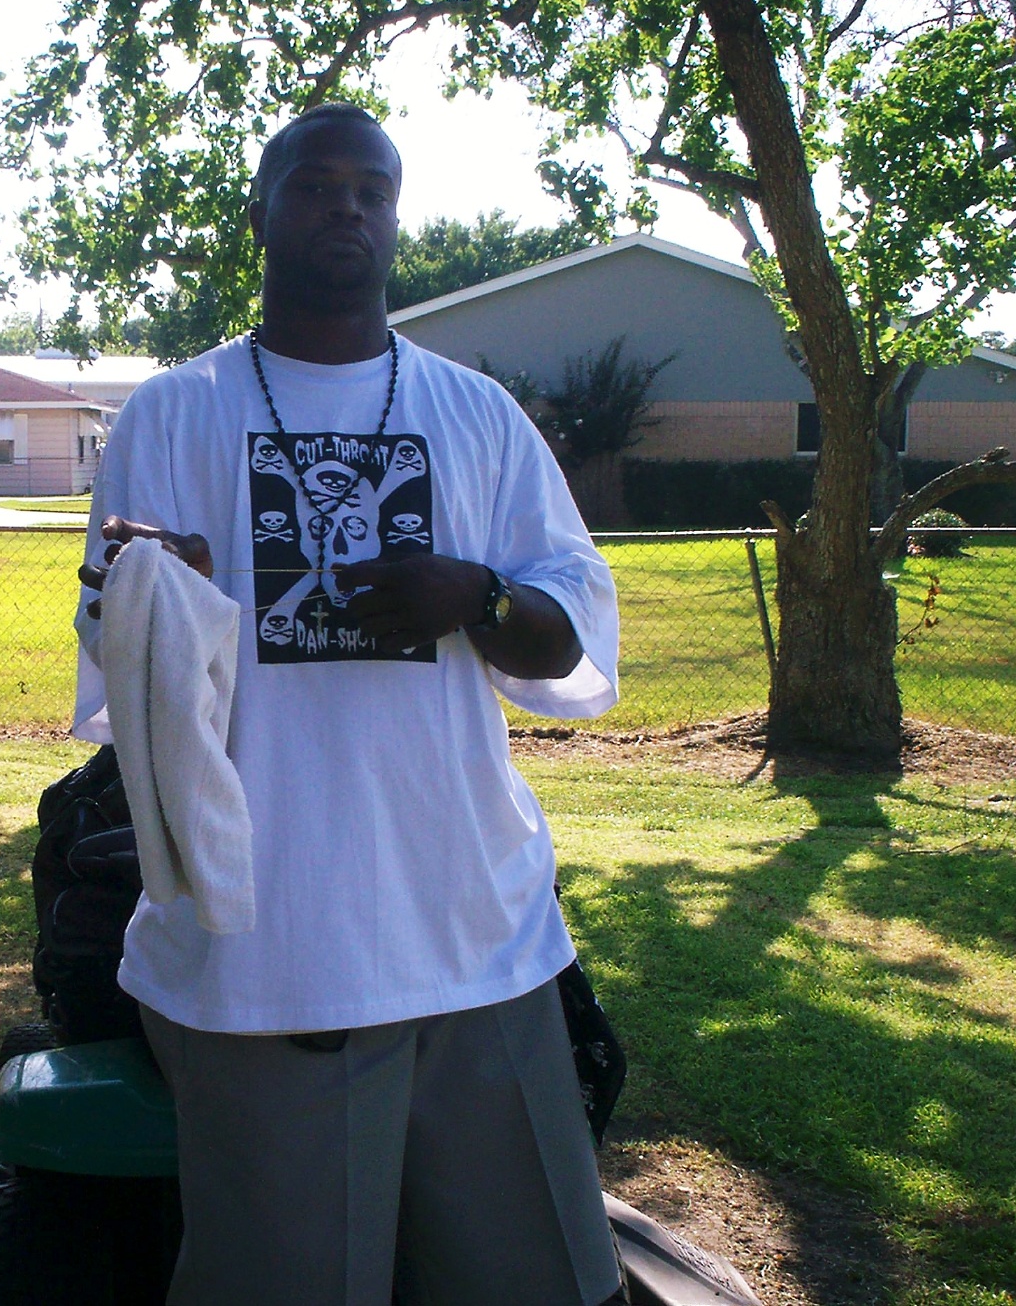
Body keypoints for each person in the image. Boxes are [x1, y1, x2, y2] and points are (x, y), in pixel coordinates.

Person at [72, 102, 624, 1306]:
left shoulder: (476, 414)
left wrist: (476, 595)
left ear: (397, 219)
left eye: (373, 190)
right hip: (263, 949)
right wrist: (167, 597)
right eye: (316, 185)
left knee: (534, 1278)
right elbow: (126, 656)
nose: (348, 208)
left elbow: (575, 625)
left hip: (476, 936)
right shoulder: (175, 412)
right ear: (261, 214)